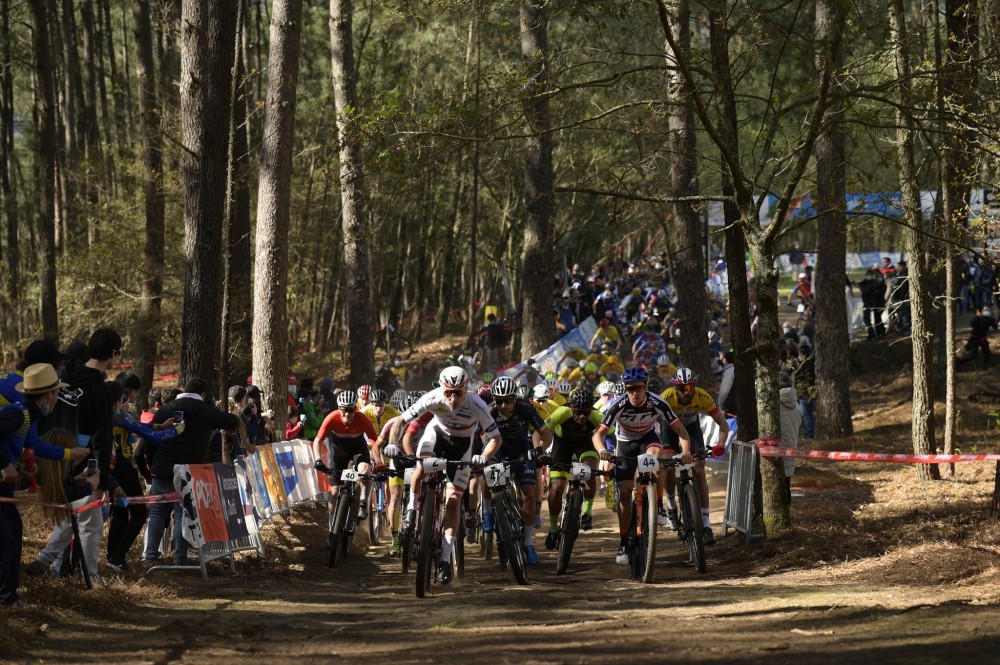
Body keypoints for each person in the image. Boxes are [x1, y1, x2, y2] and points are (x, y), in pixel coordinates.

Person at [387, 366, 502, 585]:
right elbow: (401, 420)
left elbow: (495, 437)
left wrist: (484, 456)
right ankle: (412, 508)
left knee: (453, 502)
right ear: (442, 388)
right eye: (448, 392)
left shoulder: (476, 404)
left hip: (462, 448)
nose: (452, 398)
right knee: (421, 468)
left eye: (458, 393)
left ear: (466, 389)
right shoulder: (433, 397)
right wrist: (393, 444)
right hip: (436, 437)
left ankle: (445, 558)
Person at [31, 329, 125, 584]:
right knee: (90, 523)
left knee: (72, 513)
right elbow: (103, 439)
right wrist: (102, 481)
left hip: (47, 452)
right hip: (78, 462)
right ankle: (90, 579)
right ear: (114, 354)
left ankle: (44, 563)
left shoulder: (66, 373)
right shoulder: (100, 391)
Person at [2, 365, 90, 605]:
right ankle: (7, 597)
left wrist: (69, 454)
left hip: (4, 484)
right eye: (56, 393)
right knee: (8, 535)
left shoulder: (30, 417)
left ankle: (9, 595)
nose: (57, 398)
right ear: (49, 394)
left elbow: (37, 447)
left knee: (12, 532)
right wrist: (4, 464)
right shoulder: (18, 413)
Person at [592, 365, 691, 565]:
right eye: (629, 389)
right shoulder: (618, 405)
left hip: (648, 438)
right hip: (625, 443)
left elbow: (682, 431)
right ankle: (623, 544)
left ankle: (658, 506)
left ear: (645, 387)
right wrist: (602, 450)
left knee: (655, 456)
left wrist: (686, 452)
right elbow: (598, 435)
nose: (634, 393)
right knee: (625, 493)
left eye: (638, 388)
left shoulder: (657, 402)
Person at [143, 378, 241, 565]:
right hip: (188, 471)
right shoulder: (206, 411)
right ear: (203, 393)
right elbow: (233, 421)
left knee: (157, 513)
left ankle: (150, 556)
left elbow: (150, 438)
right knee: (181, 514)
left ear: (183, 389)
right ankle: (180, 558)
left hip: (162, 468)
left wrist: (153, 462)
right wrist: (214, 410)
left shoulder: (167, 408)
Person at [106, 381, 182, 573]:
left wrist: (159, 426)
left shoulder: (103, 414)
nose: (129, 406)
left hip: (109, 469)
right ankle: (118, 556)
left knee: (120, 513)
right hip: (123, 469)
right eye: (126, 402)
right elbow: (150, 436)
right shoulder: (120, 415)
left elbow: (141, 427)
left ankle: (112, 557)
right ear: (119, 401)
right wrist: (177, 430)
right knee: (139, 513)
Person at [486, 376, 552, 565]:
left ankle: (528, 543)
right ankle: (489, 512)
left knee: (528, 495)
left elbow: (546, 434)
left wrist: (539, 449)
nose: (504, 405)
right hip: (498, 450)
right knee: (485, 469)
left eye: (508, 400)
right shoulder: (490, 411)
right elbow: (481, 437)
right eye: (499, 400)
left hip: (522, 450)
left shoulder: (525, 408)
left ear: (515, 399)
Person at [658, 368, 729, 545]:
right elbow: (651, 423)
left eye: (689, 387)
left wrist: (720, 444)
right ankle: (671, 508)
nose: (685, 392)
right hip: (670, 430)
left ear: (694, 386)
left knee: (699, 470)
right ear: (674, 388)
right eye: (680, 388)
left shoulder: (702, 396)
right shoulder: (665, 397)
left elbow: (723, 423)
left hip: (691, 428)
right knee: (668, 466)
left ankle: (706, 524)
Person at [312, 390, 379, 547]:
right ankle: (331, 530)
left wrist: (378, 460)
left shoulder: (362, 419)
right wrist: (318, 460)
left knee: (364, 471)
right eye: (344, 409)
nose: (348, 413)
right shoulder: (332, 417)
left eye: (351, 409)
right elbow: (317, 441)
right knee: (334, 491)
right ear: (339, 408)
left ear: (356, 408)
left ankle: (363, 501)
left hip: (358, 449)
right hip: (338, 451)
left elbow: (375, 441)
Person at [543, 386, 603, 550]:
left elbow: (614, 434)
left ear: (591, 409)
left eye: (586, 412)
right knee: (556, 488)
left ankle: (587, 512)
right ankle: (553, 529)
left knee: (589, 469)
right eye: (578, 412)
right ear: (572, 408)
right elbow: (543, 430)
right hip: (563, 445)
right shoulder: (562, 412)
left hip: (586, 445)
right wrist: (540, 450)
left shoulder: (597, 415)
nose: (582, 416)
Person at [778, 371, 802, 502]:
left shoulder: (774, 404)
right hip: (791, 446)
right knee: (786, 483)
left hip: (775, 448)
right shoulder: (796, 404)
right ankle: (786, 513)